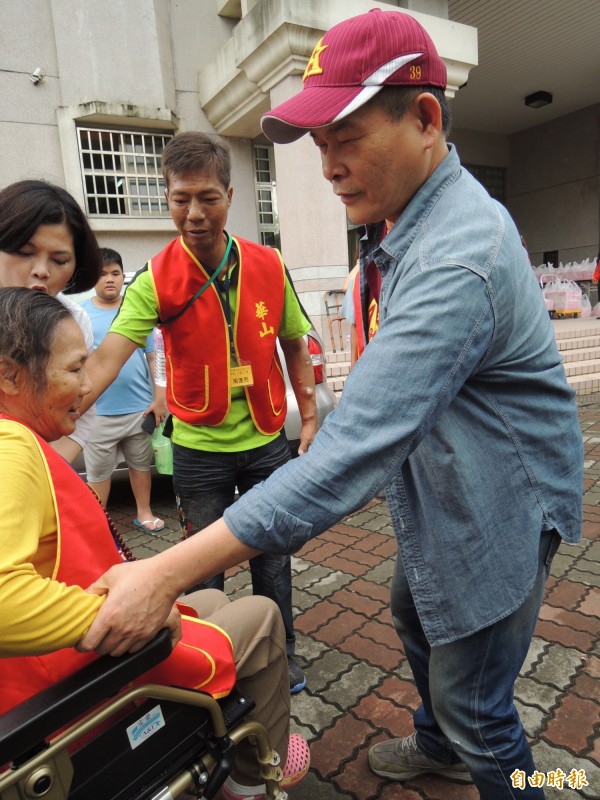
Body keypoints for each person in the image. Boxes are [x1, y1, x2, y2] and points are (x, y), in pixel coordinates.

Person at [77, 9, 583, 800]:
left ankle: (545, 778)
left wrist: (163, 575)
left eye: (345, 138)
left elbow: (348, 455)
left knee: (481, 708)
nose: (328, 167)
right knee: (414, 611)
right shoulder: (404, 226)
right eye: (319, 146)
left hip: (500, 501)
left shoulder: (458, 256)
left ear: (423, 118)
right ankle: (439, 743)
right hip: (444, 485)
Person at [0, 287, 309, 800]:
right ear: (10, 374)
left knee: (208, 599)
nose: (87, 386)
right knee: (262, 615)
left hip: (48, 666)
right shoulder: (11, 453)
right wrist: (124, 614)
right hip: (72, 692)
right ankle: (256, 774)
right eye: (75, 370)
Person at [74, 131, 317, 694]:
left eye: (207, 197)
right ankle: (212, 659)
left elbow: (295, 344)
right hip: (199, 446)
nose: (194, 213)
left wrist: (309, 416)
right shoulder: (154, 279)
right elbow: (108, 358)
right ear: (167, 198)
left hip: (264, 438)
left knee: (272, 555)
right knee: (204, 565)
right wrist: (47, 412)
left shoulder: (268, 262)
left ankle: (281, 652)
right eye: (180, 198)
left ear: (230, 196)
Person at [0, 179, 101, 463]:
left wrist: (47, 470)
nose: (41, 271)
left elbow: (81, 410)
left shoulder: (73, 321)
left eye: (59, 260)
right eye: (24, 252)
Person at [82, 247, 165, 532]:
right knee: (98, 474)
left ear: (123, 278)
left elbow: (154, 357)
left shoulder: (136, 311)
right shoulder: (82, 315)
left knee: (141, 466)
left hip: (139, 409)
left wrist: (158, 398)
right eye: (103, 274)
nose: (109, 279)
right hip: (98, 412)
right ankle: (98, 525)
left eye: (115, 273)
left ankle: (144, 513)